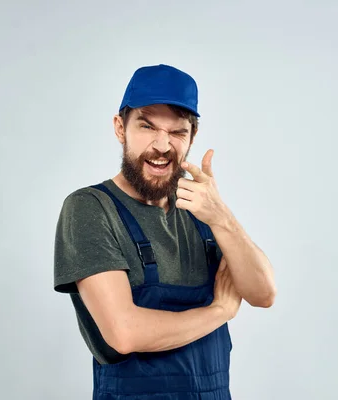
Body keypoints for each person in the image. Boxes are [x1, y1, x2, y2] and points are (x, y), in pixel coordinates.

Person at [53, 64, 277, 399]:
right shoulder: (91, 209)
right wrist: (219, 312)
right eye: (147, 126)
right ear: (120, 127)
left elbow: (263, 294)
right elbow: (124, 332)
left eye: (177, 132)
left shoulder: (201, 207)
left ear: (192, 138)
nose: (162, 145)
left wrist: (222, 218)